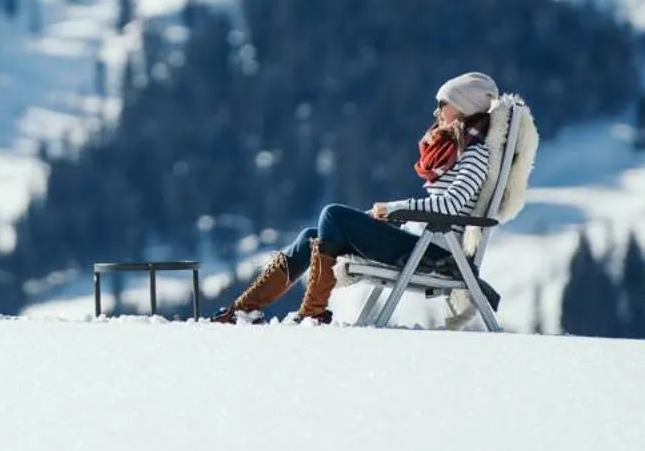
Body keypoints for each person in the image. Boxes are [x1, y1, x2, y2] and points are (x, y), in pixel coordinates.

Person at [211, 71, 500, 325]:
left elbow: (450, 207)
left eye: (443, 104)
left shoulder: (475, 154)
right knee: (311, 235)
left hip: (435, 252)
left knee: (333, 215)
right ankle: (244, 310)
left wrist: (394, 209)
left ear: (463, 107)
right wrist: (390, 215)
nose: (436, 111)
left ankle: (314, 313)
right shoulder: (458, 151)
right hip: (418, 241)